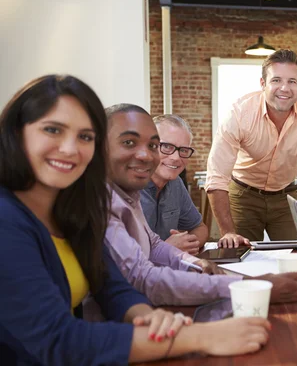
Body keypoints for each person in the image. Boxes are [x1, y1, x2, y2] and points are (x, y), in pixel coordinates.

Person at [0, 75, 270, 365]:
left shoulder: (70, 210)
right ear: (16, 133)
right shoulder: (7, 219)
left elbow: (112, 287)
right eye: (52, 130)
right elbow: (58, 339)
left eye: (85, 136)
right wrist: (200, 337)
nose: (70, 148)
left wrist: (150, 319)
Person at [104, 103, 297, 306]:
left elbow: (155, 244)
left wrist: (193, 261)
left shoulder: (129, 192)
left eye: (151, 146)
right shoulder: (104, 201)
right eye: (129, 143)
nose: (145, 155)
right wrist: (247, 286)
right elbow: (143, 278)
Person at [206, 49, 297, 248]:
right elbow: (216, 177)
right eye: (276, 80)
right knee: (239, 255)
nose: (285, 88)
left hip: (285, 195)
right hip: (243, 194)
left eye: (292, 81)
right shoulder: (240, 114)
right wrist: (228, 233)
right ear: (263, 84)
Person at [140, 114, 208, 255]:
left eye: (183, 150)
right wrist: (166, 250)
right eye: (166, 146)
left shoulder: (175, 183)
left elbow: (200, 228)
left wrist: (186, 244)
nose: (176, 158)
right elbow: (118, 257)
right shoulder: (125, 187)